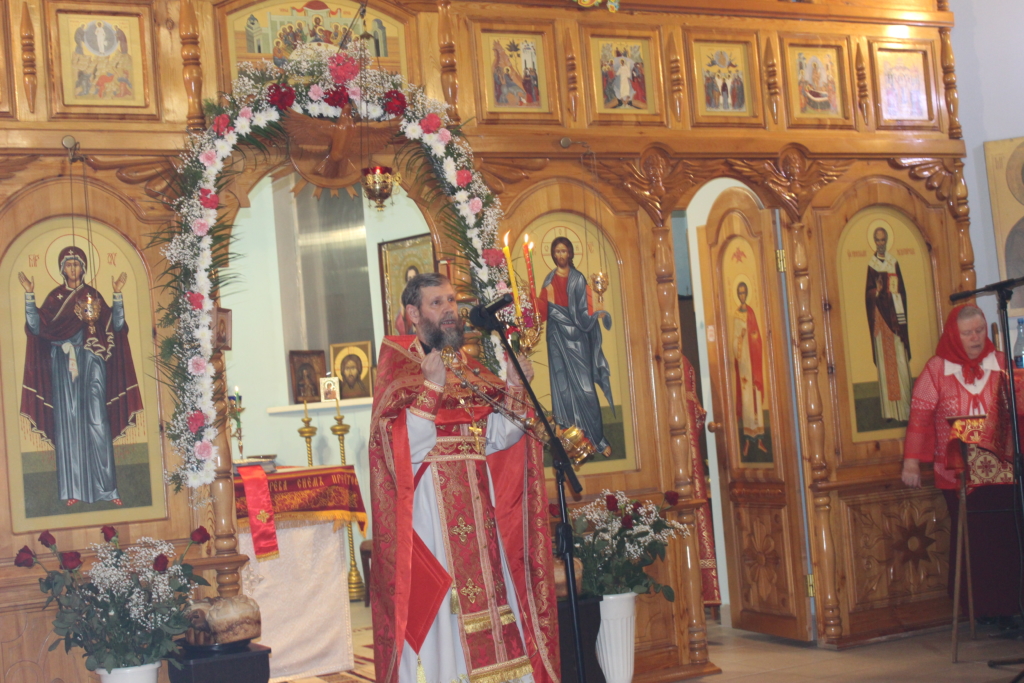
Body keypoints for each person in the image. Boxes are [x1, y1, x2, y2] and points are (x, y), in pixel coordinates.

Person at [368, 273, 559, 683]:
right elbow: (397, 449)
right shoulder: (399, 367)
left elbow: (496, 438)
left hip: (480, 519)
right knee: (441, 621)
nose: (449, 310)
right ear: (413, 313)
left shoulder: (468, 368)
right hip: (429, 523)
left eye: (452, 300)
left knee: (492, 606)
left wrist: (513, 387)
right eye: (437, 303)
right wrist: (431, 388)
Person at [902, 305, 1020, 620]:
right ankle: (978, 609)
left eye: (979, 330)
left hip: (1002, 472)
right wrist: (911, 463)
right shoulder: (936, 369)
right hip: (957, 473)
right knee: (974, 539)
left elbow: (1017, 408)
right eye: (968, 333)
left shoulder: (1000, 363)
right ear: (955, 335)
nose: (976, 337)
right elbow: (920, 416)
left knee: (1006, 537)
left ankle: (1010, 608)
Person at [18, 246, 142, 507]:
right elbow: (36, 327)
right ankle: (73, 488)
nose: (72, 268)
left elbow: (117, 326)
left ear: (84, 268)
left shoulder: (92, 295)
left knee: (98, 421)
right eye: (68, 264)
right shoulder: (55, 298)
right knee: (69, 422)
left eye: (76, 264)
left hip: (92, 360)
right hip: (64, 363)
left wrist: (117, 294)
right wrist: (29, 295)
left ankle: (107, 489)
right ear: (61, 269)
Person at [536, 237, 614, 457]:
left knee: (585, 388)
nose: (560, 255)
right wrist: (533, 304)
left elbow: (583, 313)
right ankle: (567, 439)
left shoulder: (578, 279)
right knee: (562, 387)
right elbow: (542, 312)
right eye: (557, 252)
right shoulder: (549, 279)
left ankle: (597, 438)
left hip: (577, 338)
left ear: (570, 253)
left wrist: (595, 314)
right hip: (556, 338)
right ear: (553, 255)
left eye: (564, 251)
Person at [866, 224, 912, 421]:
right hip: (881, 321)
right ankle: (890, 412)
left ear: (887, 240)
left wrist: (895, 294)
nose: (881, 243)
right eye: (877, 240)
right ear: (874, 242)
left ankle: (905, 410)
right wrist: (876, 291)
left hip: (895, 319)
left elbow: (902, 291)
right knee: (886, 365)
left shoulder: (894, 262)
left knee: (900, 361)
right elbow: (868, 294)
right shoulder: (872, 265)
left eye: (883, 239)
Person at [733, 281, 767, 457]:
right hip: (744, 365)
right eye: (739, 293)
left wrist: (752, 337)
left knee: (756, 399)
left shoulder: (751, 312)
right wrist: (740, 338)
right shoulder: (736, 315)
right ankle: (747, 442)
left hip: (754, 363)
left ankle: (760, 441)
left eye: (744, 292)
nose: (742, 296)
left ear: (746, 293)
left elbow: (757, 337)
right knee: (747, 402)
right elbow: (734, 343)